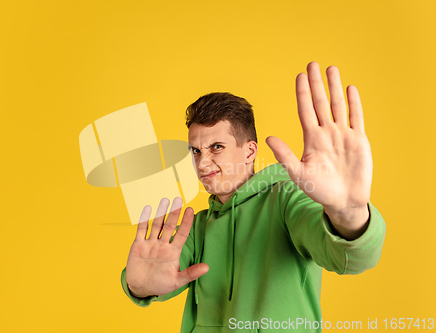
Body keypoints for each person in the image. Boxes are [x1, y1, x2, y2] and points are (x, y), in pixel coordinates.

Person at [120, 61, 386, 332]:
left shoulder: (286, 201)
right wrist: (138, 286)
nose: (202, 163)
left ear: (249, 152)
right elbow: (155, 274)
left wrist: (348, 211)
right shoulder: (198, 227)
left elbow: (350, 258)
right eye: (196, 151)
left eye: (217, 147)